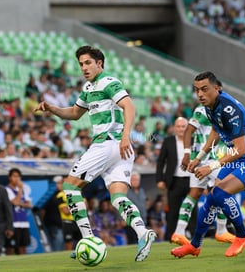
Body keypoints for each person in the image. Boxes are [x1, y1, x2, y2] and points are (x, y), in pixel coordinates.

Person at [34, 45, 156, 262]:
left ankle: (88, 238)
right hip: (121, 149)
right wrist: (52, 108)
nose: (84, 67)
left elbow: (130, 107)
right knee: (118, 198)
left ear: (99, 63)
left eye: (88, 62)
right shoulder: (88, 88)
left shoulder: (109, 82)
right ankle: (143, 233)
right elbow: (74, 113)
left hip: (109, 144)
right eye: (81, 64)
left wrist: (126, 135)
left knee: (70, 187)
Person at [171, 71, 245, 258]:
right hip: (240, 157)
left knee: (220, 192)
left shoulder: (228, 108)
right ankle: (195, 245)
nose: (200, 94)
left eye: (204, 89)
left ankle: (243, 234)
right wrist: (199, 158)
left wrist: (211, 166)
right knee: (212, 197)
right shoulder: (210, 107)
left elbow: (241, 148)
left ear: (216, 88)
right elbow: (215, 133)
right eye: (197, 90)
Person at [172, 102, 235, 246]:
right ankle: (221, 230)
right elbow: (188, 131)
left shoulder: (219, 111)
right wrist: (186, 154)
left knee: (194, 194)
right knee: (224, 189)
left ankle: (179, 232)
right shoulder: (202, 111)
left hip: (202, 158)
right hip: (206, 159)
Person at [156, 117, 193, 241]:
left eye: (183, 126)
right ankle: (171, 238)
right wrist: (159, 180)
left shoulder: (194, 141)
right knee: (172, 212)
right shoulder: (168, 141)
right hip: (174, 181)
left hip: (191, 181)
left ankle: (194, 238)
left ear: (187, 128)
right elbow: (160, 161)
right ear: (174, 128)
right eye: (178, 126)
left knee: (192, 210)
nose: (181, 129)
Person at [5, 168, 32, 255]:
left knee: (23, 247)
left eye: (18, 177)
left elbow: (30, 205)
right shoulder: (7, 189)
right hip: (13, 222)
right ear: (10, 178)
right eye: (14, 176)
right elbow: (16, 202)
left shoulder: (23, 190)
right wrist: (20, 191)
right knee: (11, 248)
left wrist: (21, 203)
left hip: (24, 222)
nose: (17, 179)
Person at [56, 175, 82, 251]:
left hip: (79, 221)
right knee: (68, 243)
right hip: (67, 222)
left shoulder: (77, 192)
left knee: (81, 241)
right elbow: (66, 211)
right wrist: (78, 205)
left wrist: (71, 205)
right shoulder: (60, 195)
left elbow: (85, 207)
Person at [41, 176, 64, 252]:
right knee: (57, 248)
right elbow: (43, 210)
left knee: (60, 247)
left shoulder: (62, 195)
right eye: (60, 183)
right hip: (53, 225)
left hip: (60, 225)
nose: (62, 185)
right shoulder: (50, 195)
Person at [127, 171, 148, 244]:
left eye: (137, 180)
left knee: (143, 240)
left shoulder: (142, 191)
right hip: (131, 221)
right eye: (133, 180)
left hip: (143, 220)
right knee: (132, 242)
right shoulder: (126, 192)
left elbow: (144, 204)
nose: (136, 182)